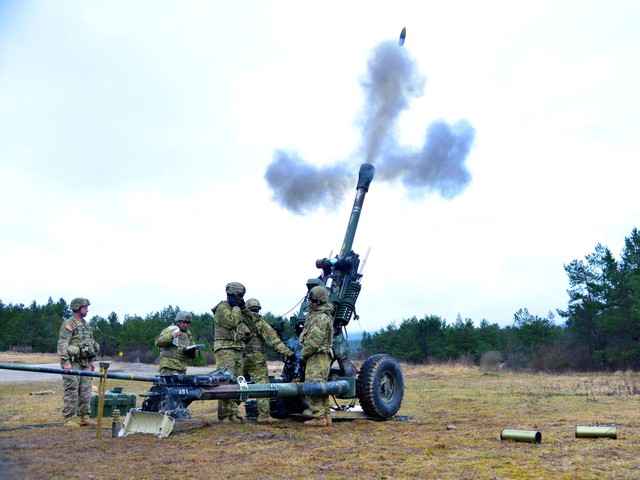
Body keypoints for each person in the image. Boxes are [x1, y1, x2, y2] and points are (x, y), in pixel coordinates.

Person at [243, 298, 293, 423]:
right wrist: (289, 353)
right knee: (262, 387)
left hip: (239, 358)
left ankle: (228, 415)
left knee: (234, 386)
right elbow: (274, 341)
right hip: (256, 359)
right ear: (258, 309)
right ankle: (264, 416)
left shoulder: (239, 323)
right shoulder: (260, 323)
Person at [212, 281, 253, 423]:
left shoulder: (238, 308)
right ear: (230, 295)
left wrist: (244, 309)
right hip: (225, 349)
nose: (241, 299)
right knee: (225, 382)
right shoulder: (222, 308)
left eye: (242, 297)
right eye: (238, 296)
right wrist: (236, 308)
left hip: (237, 348)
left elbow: (251, 322)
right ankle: (224, 415)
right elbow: (231, 322)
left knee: (237, 382)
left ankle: (233, 413)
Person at [57, 297, 100, 427]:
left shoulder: (86, 325)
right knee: (72, 389)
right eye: (85, 307)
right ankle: (69, 418)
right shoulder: (69, 324)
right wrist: (66, 362)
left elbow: (90, 344)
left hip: (85, 363)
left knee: (86, 390)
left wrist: (92, 361)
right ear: (77, 308)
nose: (87, 310)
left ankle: (84, 416)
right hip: (73, 362)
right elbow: (62, 343)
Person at [299, 285, 334, 427]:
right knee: (321, 388)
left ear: (320, 301)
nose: (311, 303)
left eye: (314, 300)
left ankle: (319, 418)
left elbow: (314, 341)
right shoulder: (321, 316)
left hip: (317, 356)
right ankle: (326, 416)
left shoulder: (319, 318)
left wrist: (302, 354)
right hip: (321, 356)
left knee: (312, 386)